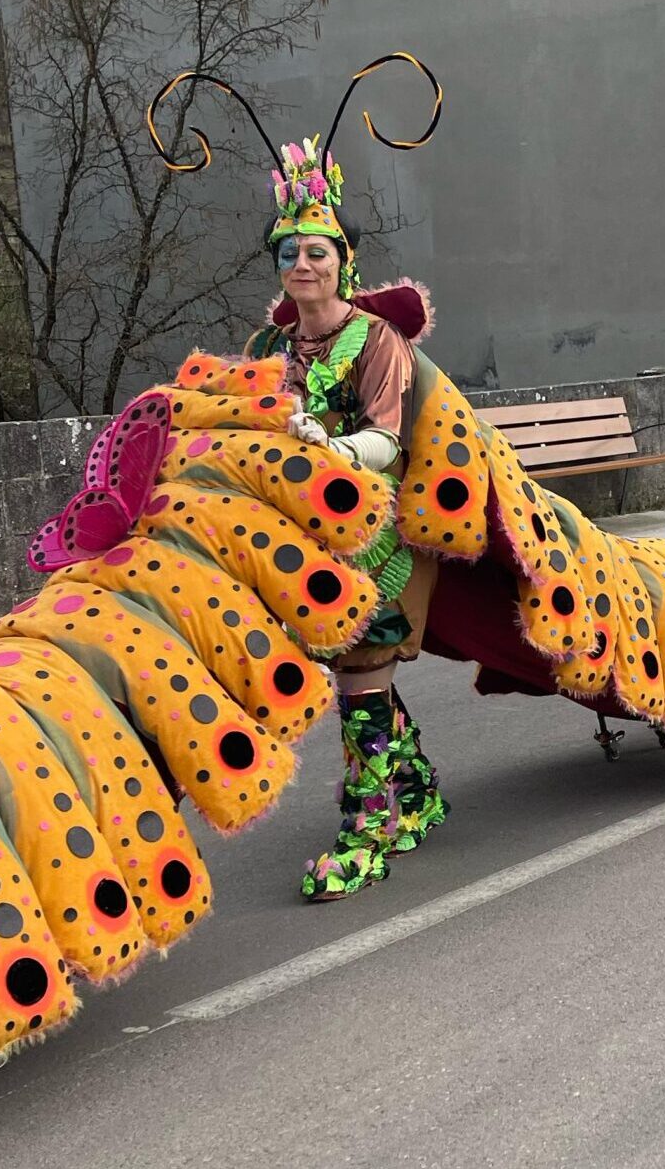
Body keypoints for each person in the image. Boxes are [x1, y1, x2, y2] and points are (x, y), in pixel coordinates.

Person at [243, 137, 447, 902]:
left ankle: (367, 829)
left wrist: (331, 445)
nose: (304, 262)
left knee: (361, 670)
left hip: (368, 538)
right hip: (296, 541)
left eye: (319, 249)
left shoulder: (376, 342)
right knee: (357, 675)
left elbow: (388, 439)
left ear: (344, 261)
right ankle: (418, 787)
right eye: (289, 250)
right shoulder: (267, 347)